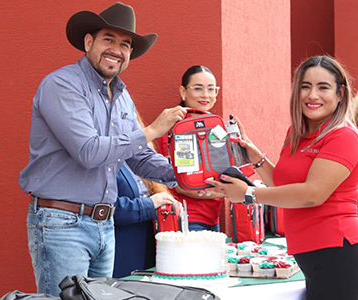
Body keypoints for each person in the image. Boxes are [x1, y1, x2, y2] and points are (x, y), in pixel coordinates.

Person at [18, 3, 186, 296]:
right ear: (88, 42)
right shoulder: (61, 84)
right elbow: (89, 151)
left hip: (104, 226)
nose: (117, 50)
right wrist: (152, 130)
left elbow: (138, 156)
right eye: (109, 39)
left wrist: (191, 174)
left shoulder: (121, 96)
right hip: (62, 224)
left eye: (125, 44)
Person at [207, 56, 358, 300]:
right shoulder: (297, 133)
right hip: (314, 258)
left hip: (340, 257)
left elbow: (311, 195)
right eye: (305, 86)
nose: (312, 95)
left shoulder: (343, 137)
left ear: (341, 94)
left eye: (323, 87)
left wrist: (248, 194)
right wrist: (257, 159)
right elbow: (286, 189)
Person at [157, 65, 225, 232]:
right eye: (198, 88)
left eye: (211, 89)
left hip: (213, 216)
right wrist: (230, 191)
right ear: (183, 91)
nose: (205, 95)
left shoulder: (216, 125)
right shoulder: (176, 128)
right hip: (187, 217)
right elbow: (182, 185)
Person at [113, 163, 174, 278]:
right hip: (123, 244)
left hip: (149, 238)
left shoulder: (142, 156)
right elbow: (109, 207)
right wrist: (149, 204)